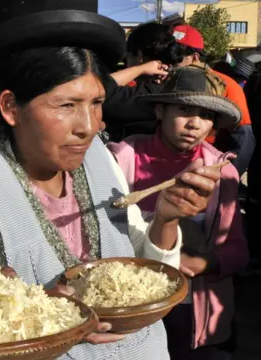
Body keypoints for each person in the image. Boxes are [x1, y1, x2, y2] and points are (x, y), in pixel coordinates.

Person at [0, 1, 222, 359]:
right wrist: (40, 311)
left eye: (96, 103)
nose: (89, 127)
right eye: (66, 106)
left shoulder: (100, 158)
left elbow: (151, 280)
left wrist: (166, 219)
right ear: (11, 107)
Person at [108, 67, 248, 360]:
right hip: (132, 308)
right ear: (159, 110)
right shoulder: (121, 159)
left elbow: (237, 251)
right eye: (185, 109)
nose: (195, 123)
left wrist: (203, 262)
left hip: (190, 313)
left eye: (207, 115)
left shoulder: (223, 174)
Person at [173, 24, 255, 176]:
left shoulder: (225, 85)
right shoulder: (171, 81)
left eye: (177, 56)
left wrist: (226, 177)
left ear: (194, 57)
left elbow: (244, 137)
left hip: (206, 166)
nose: (171, 62)